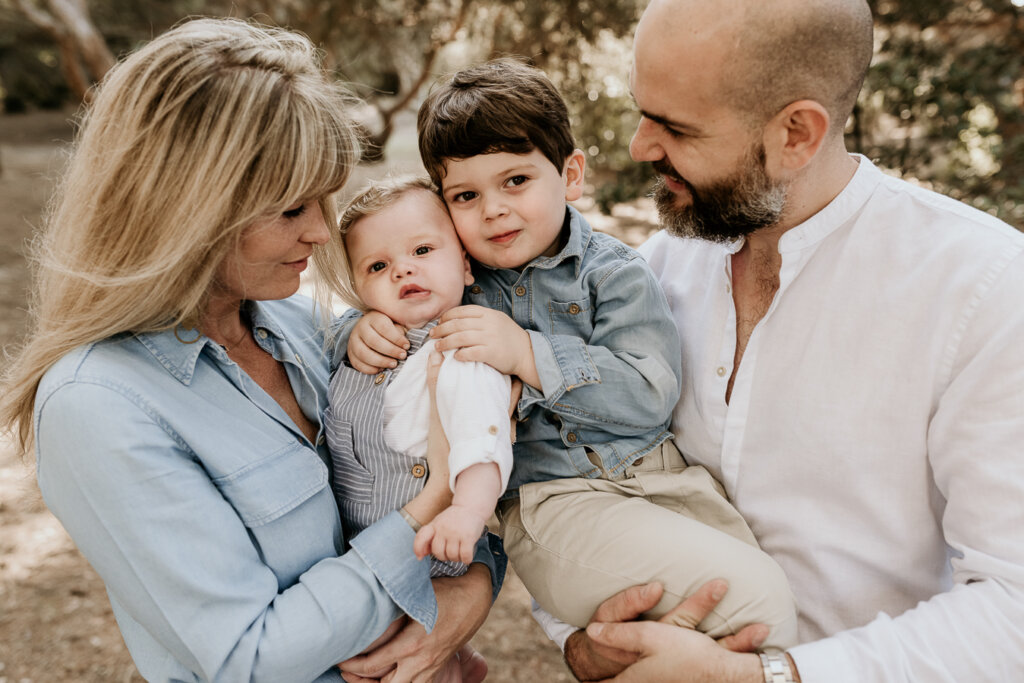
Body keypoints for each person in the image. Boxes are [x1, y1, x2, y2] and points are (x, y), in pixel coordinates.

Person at [0, 18, 502, 683]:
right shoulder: (97, 407)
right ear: (188, 210)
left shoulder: (306, 328)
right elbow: (249, 656)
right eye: (291, 209)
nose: (323, 231)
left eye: (321, 201)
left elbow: (459, 471)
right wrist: (430, 504)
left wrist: (469, 590)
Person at [549, 0, 1024, 681]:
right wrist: (578, 637)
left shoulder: (984, 291)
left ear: (797, 132)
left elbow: (1014, 607)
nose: (640, 146)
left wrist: (765, 676)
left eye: (675, 126)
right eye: (643, 110)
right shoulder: (644, 276)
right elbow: (561, 479)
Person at [346, 58, 798, 650]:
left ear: (571, 174)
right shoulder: (455, 279)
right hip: (551, 503)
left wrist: (526, 352)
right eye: (465, 195)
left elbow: (648, 392)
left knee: (759, 617)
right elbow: (385, 296)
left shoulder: (615, 274)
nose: (493, 209)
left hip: (664, 482)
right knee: (758, 603)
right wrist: (361, 329)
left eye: (516, 181)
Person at [317, 176, 515, 682]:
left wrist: (468, 514)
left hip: (424, 548)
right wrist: (351, 332)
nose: (403, 268)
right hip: (365, 538)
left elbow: (484, 438)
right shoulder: (370, 341)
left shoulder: (461, 347)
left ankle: (452, 667)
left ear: (465, 263)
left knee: (392, 654)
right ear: (359, 288)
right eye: (378, 266)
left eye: (423, 249)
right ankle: (459, 665)